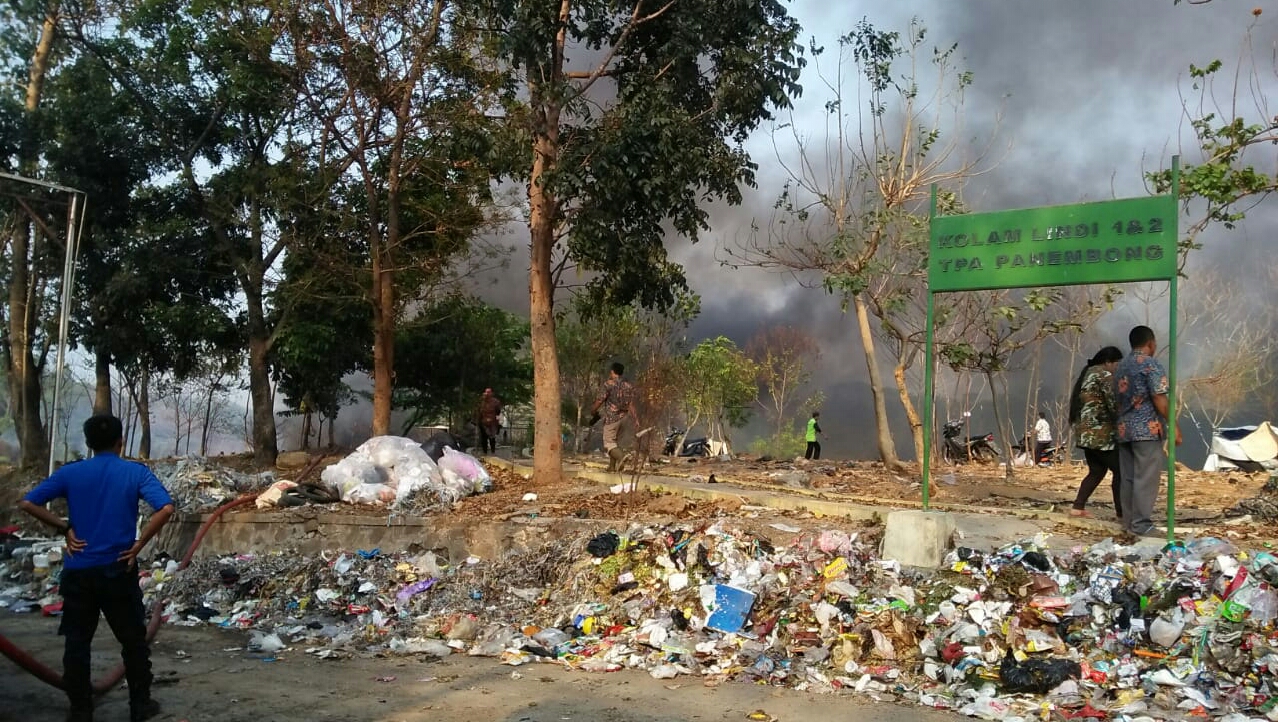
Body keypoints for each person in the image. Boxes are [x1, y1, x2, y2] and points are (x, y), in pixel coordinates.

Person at [17, 414, 175, 722]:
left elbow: (28, 503)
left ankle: (80, 710)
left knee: (77, 642)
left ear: (88, 444)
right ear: (121, 442)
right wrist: (139, 545)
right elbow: (166, 508)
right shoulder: (135, 472)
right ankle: (140, 705)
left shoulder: (71, 473)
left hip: (79, 571)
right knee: (132, 641)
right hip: (119, 568)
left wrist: (65, 528)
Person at [1114, 325, 1181, 537]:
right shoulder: (1150, 365)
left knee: (1129, 478)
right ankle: (1141, 524)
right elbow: (1160, 397)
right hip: (1146, 430)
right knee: (1146, 478)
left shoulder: (1120, 367)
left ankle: (1129, 523)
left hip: (1124, 430)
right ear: (1151, 343)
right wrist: (1174, 426)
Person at [1067, 346, 1124, 519]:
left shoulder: (1088, 373)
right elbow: (1114, 403)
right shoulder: (1105, 375)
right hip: (1100, 435)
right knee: (1121, 470)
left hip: (1085, 434)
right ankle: (1122, 512)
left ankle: (1078, 507)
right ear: (1108, 362)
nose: (1118, 368)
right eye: (1117, 364)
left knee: (1097, 471)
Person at [590, 362, 638, 468]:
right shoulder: (628, 386)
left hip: (612, 418)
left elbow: (600, 400)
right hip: (624, 418)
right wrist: (635, 419)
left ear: (612, 372)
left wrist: (593, 410)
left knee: (608, 444)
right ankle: (612, 467)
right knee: (614, 443)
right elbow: (631, 404)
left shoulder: (608, 384)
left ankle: (622, 457)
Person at [477, 388, 503, 455]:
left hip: (492, 422)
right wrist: (478, 421)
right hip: (483, 423)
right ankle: (484, 452)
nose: (487, 394)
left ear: (491, 393)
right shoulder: (481, 402)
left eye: (489, 392)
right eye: (486, 392)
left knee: (492, 437)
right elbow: (479, 411)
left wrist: (496, 419)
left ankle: (493, 452)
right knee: (483, 438)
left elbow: (498, 411)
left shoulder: (495, 402)